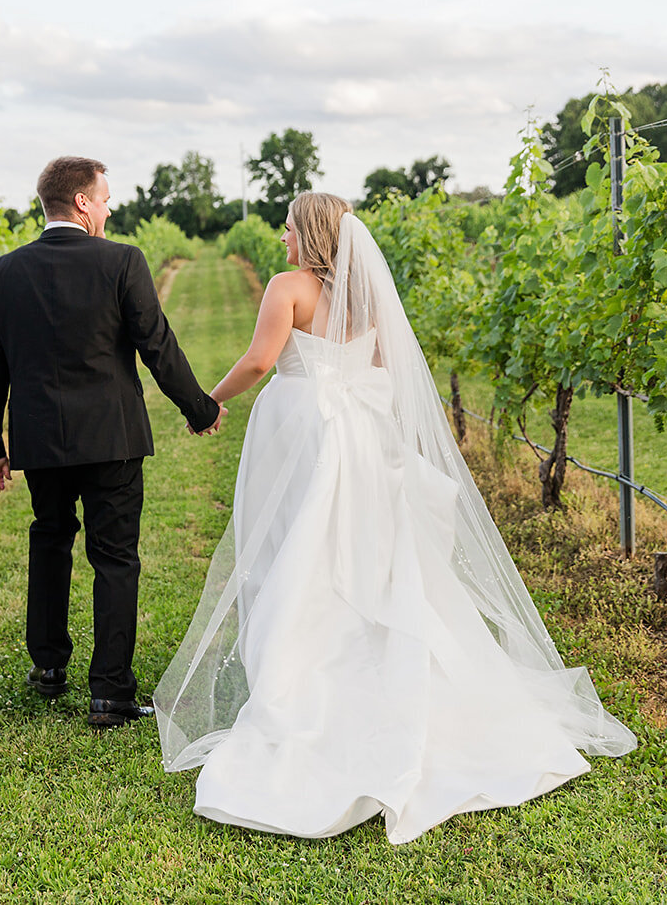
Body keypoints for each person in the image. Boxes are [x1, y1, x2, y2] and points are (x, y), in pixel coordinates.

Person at [153, 192, 637, 843]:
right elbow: (388, 363)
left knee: (298, 548)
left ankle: (297, 676)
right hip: (361, 435)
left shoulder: (287, 286)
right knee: (363, 550)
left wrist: (206, 401)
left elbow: (262, 360)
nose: (283, 235)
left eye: (291, 226)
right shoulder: (365, 293)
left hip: (306, 435)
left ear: (311, 232)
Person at [0, 156, 225, 729]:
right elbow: (156, 345)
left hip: (40, 442)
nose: (110, 208)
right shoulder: (122, 261)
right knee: (115, 558)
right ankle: (110, 693)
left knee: (50, 541)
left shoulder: (3, 272)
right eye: (105, 198)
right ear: (82, 203)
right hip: (112, 438)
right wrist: (200, 408)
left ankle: (48, 668)